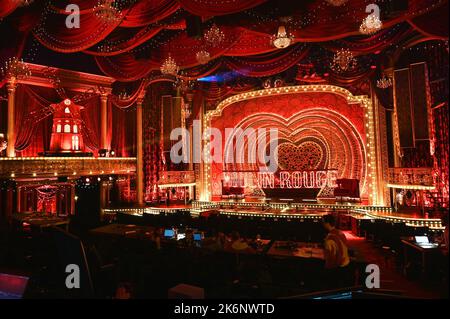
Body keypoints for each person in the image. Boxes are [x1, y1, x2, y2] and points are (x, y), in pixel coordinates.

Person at [322, 214, 351, 288]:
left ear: (327, 223)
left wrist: (326, 270)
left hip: (338, 268)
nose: (322, 224)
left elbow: (331, 259)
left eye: (323, 222)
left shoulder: (329, 239)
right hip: (347, 264)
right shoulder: (340, 232)